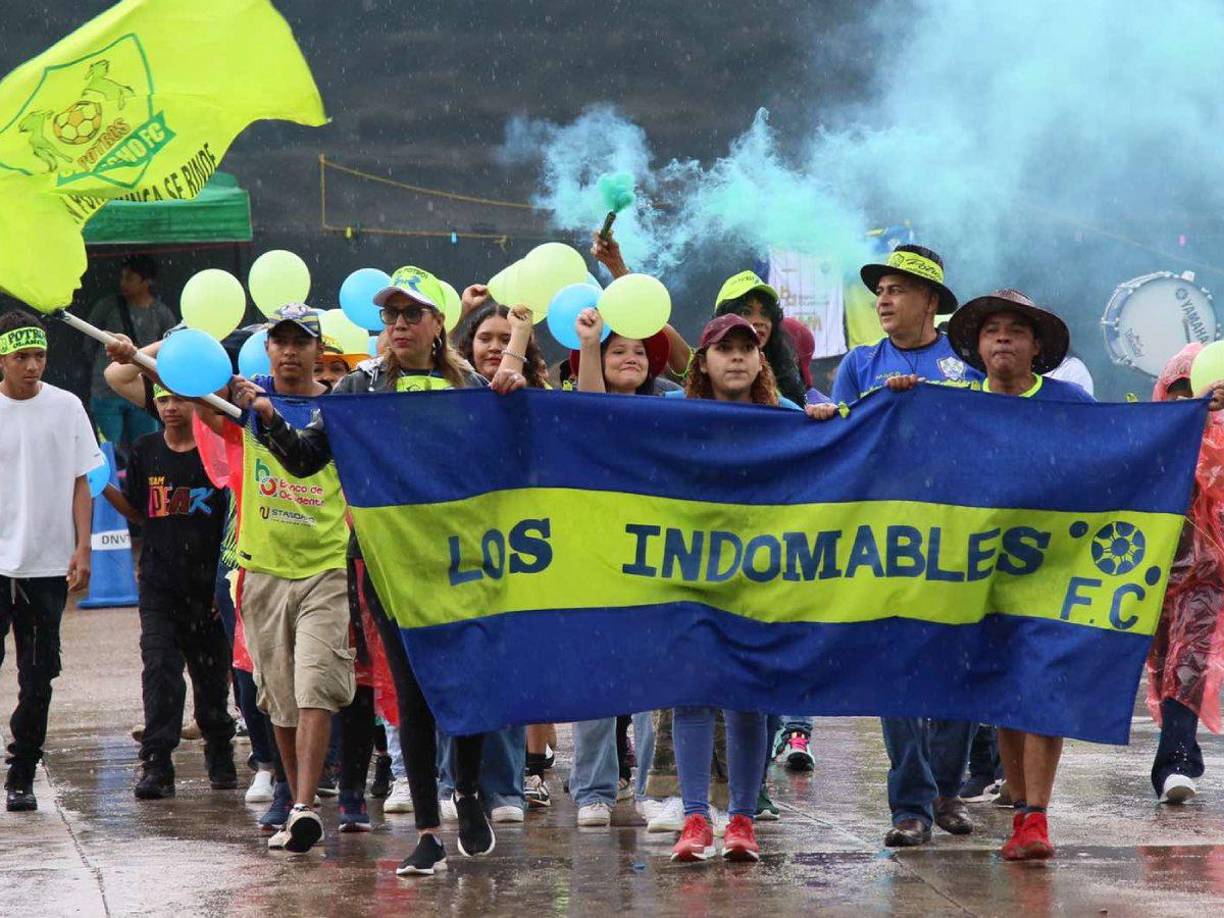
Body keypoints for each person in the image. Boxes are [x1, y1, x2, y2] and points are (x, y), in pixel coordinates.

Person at [236, 268, 518, 876]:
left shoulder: (470, 384)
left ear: (438, 323)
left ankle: (469, 791)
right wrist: (268, 417)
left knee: (463, 682)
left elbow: (509, 458)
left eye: (412, 314)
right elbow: (306, 460)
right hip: (388, 562)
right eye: (391, 315)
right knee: (413, 693)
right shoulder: (359, 387)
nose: (399, 325)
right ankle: (427, 832)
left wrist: (514, 394)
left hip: (460, 559)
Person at [832, 244, 978, 848]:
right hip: (883, 540)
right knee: (894, 672)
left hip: (957, 537)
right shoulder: (860, 363)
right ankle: (910, 805)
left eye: (897, 290)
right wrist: (867, 408)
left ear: (931, 301)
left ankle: (947, 790)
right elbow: (840, 434)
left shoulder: (967, 365)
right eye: (880, 292)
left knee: (958, 668)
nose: (884, 301)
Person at [668, 314, 826, 865]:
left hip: (759, 578)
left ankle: (741, 820)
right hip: (690, 572)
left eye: (746, 348)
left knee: (746, 699)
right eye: (724, 348)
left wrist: (824, 423)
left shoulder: (787, 417)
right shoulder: (670, 415)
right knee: (691, 694)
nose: (736, 356)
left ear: (762, 361)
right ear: (702, 362)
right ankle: (694, 819)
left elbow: (831, 455)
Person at [943, 287, 1092, 859]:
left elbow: (1130, 442)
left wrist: (1193, 409)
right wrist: (898, 399)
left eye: (1016, 330)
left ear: (1036, 347)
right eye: (992, 330)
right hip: (980, 576)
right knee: (1004, 692)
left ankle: (1036, 818)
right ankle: (1022, 806)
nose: (1002, 337)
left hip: (1057, 572)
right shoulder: (952, 407)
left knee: (1043, 689)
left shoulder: (1070, 404)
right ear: (978, 347)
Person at [207, 304, 355, 854]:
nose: (290, 351)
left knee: (316, 684)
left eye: (301, 342)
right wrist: (136, 353)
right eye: (280, 341)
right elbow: (170, 389)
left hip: (326, 567)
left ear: (319, 349)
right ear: (267, 348)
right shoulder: (243, 398)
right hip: (263, 569)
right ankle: (297, 800)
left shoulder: (340, 407)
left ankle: (304, 804)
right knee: (279, 698)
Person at [99, 380, 234, 799]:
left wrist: (224, 583)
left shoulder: (216, 450)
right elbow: (140, 512)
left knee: (211, 678)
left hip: (208, 589)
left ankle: (219, 747)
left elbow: (234, 518)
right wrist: (102, 486)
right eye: (162, 399)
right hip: (159, 586)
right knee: (160, 671)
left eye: (178, 399)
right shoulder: (145, 449)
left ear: (196, 402)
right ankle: (157, 762)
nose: (170, 407)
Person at [0, 311, 100, 811]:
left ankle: (22, 771)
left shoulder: (67, 407)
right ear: (2, 359)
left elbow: (83, 480)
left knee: (39, 675)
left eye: (39, 355)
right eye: (21, 356)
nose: (32, 366)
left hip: (47, 565)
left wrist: (83, 546)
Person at [1146, 343, 1224, 805]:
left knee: (1187, 662)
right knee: (1161, 666)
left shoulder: (1217, 437)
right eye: (1176, 392)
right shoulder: (1151, 435)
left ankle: (1176, 764)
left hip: (1207, 572)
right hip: (1152, 571)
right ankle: (1177, 752)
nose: (1184, 401)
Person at [86, 255, 176, 455]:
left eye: (130, 278)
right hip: (105, 391)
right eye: (122, 277)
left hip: (144, 389)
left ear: (146, 282)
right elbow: (89, 343)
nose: (123, 283)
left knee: (146, 449)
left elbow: (170, 351)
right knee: (108, 451)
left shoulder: (161, 313)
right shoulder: (107, 306)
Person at [709, 270, 807, 406]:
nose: (759, 321)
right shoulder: (700, 371)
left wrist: (821, 412)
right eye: (746, 312)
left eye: (765, 313)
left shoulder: (786, 374)